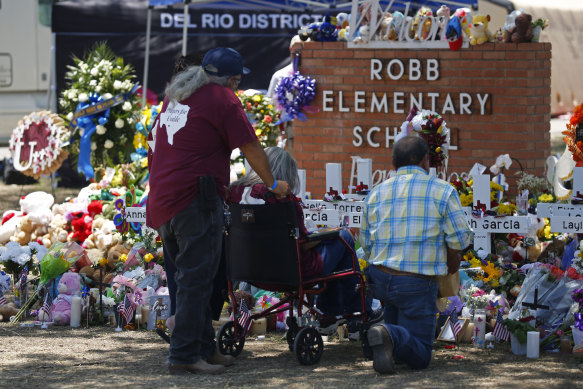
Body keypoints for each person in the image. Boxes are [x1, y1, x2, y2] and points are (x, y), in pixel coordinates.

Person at [147, 47, 291, 376]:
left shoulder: (177, 95)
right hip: (195, 199)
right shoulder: (222, 98)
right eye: (237, 82)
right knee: (198, 281)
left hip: (164, 200)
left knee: (190, 280)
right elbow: (251, 146)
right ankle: (184, 355)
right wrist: (272, 184)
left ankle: (205, 349)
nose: (237, 87)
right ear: (232, 79)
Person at [228, 146, 381, 335]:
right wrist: (329, 232)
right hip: (291, 270)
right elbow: (302, 243)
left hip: (250, 270)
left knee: (337, 247)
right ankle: (352, 313)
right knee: (344, 238)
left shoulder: (236, 193)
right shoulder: (283, 199)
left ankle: (333, 313)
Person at [359, 136, 472, 374]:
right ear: (426, 161)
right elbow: (459, 239)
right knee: (420, 356)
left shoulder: (376, 193)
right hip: (417, 282)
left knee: (401, 344)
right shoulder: (442, 191)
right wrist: (452, 263)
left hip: (380, 279)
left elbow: (366, 245)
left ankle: (390, 339)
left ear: (393, 164)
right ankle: (388, 333)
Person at [266, 36, 304, 152]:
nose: (297, 55)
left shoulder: (314, 76)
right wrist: (278, 132)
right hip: (287, 130)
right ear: (290, 49)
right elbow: (271, 105)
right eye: (295, 51)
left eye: (301, 51)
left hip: (310, 129)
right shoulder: (280, 75)